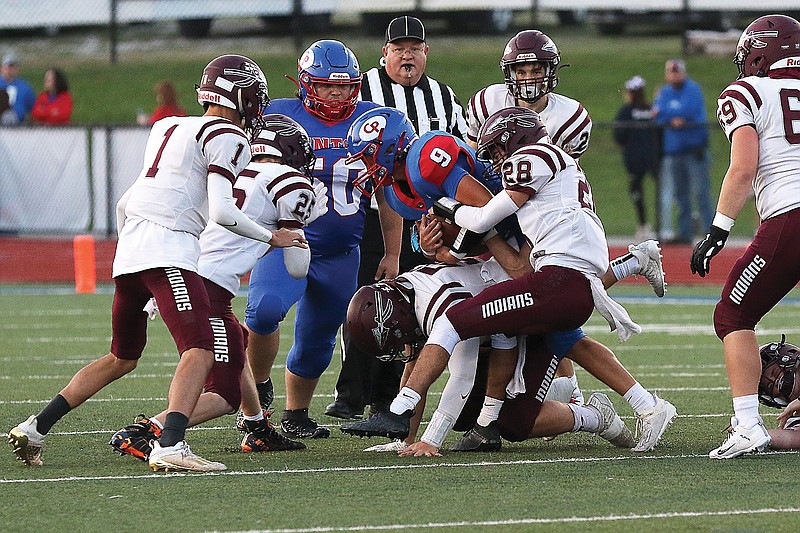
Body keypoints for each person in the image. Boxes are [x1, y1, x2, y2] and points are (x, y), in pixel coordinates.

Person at [8, 54, 307, 472]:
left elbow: (125, 200)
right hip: (169, 249)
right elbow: (222, 211)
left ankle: (35, 427)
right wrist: (269, 236)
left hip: (130, 249)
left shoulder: (169, 125)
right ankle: (169, 445)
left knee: (121, 357)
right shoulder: (227, 135)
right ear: (241, 95)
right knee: (200, 348)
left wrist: (130, 247)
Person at [340, 107, 676, 454]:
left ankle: (409, 413)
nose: (496, 163)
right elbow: (445, 234)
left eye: (367, 157)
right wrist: (430, 244)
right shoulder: (403, 192)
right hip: (542, 263)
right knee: (518, 411)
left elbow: (486, 214)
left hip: (545, 259)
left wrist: (450, 217)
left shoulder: (498, 158)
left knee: (481, 318)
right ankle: (591, 407)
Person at [109, 115, 327, 460]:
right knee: (223, 393)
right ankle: (148, 430)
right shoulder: (289, 181)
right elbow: (297, 268)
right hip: (208, 289)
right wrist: (304, 224)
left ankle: (258, 428)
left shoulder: (234, 171)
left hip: (183, 269)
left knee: (238, 339)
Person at [243, 40, 403, 439]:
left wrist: (393, 251)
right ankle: (259, 386)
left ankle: (296, 415)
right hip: (288, 241)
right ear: (304, 83)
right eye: (326, 85)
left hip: (340, 252)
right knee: (263, 312)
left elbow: (388, 193)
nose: (336, 93)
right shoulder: (276, 114)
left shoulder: (375, 121)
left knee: (318, 341)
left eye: (345, 85)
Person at [326, 15, 468, 423]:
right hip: (373, 210)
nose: (408, 55)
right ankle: (351, 393)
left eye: (415, 48)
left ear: (427, 53)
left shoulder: (442, 95)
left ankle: (390, 398)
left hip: (428, 215)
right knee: (366, 301)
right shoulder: (364, 86)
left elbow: (462, 141)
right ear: (384, 53)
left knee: (412, 306)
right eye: (399, 48)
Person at [344, 264, 635, 456]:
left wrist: (430, 440)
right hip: (501, 338)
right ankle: (554, 392)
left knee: (514, 423)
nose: (403, 347)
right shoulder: (408, 292)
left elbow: (462, 376)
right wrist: (406, 439)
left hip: (530, 325)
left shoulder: (441, 305)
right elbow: (416, 366)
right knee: (464, 414)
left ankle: (596, 417)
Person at [689, 14, 800, 459]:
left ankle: (748, 425)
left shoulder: (747, 91)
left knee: (733, 316)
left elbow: (743, 167)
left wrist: (718, 228)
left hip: (791, 215)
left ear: (759, 53)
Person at [653, 58, 713, 244]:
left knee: (701, 193)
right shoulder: (664, 92)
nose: (675, 75)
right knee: (680, 195)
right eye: (671, 71)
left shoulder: (693, 89)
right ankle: (685, 233)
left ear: (683, 73)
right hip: (673, 152)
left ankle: (710, 233)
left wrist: (668, 115)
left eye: (678, 71)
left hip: (694, 150)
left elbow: (688, 110)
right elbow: (656, 115)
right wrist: (671, 117)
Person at [613, 75, 661, 241]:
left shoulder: (626, 111)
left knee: (637, 192)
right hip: (653, 157)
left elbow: (618, 134)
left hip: (634, 160)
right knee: (659, 191)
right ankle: (660, 226)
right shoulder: (651, 109)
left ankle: (644, 225)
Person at [0, 52, 36, 123]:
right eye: (7, 67)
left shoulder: (25, 87)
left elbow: (32, 107)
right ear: (2, 68)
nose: (9, 70)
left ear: (17, 69)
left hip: (18, 125)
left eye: (12, 67)